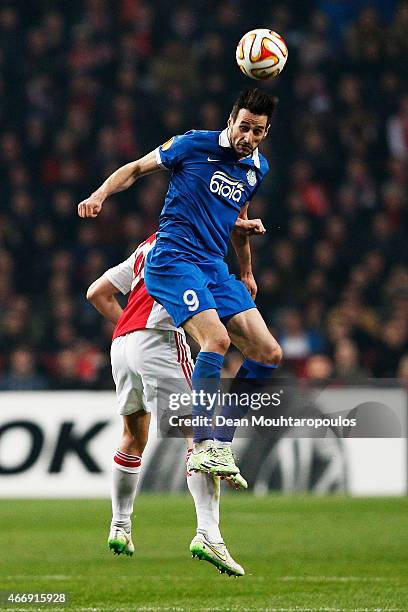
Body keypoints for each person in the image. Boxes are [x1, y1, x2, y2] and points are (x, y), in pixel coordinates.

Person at [78, 87, 283, 484]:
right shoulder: (192, 145)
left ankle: (221, 439)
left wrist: (246, 271)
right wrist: (100, 193)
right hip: (173, 258)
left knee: (269, 353)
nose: (249, 138)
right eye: (244, 127)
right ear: (230, 120)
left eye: (257, 131)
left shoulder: (257, 168)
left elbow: (237, 220)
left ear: (265, 132)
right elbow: (136, 169)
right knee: (217, 340)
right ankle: (204, 443)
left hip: (213, 265)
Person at [86, 232, 262, 577]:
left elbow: (97, 293)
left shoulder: (146, 246)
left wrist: (130, 328)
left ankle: (120, 524)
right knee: (201, 438)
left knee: (133, 437)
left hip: (122, 345)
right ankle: (209, 534)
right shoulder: (193, 242)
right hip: (160, 339)